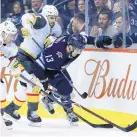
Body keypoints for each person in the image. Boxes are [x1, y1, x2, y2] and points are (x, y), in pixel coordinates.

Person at [32, 34, 112, 125]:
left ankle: (48, 100)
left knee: (67, 89)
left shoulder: (76, 41)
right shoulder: (54, 53)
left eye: (80, 50)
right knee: (66, 89)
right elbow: (37, 65)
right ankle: (69, 111)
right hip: (47, 71)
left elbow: (86, 38)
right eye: (77, 50)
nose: (78, 52)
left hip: (59, 68)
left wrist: (97, 40)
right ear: (69, 47)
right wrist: (43, 81)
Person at [4, 5, 62, 127]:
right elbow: (26, 17)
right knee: (33, 84)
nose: (53, 20)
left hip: (36, 59)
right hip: (25, 55)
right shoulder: (42, 19)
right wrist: (28, 28)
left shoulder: (56, 28)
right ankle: (32, 113)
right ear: (46, 15)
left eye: (55, 18)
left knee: (26, 87)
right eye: (51, 17)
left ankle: (11, 109)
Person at [0, 20, 18, 130]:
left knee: (1, 92)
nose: (13, 38)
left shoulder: (11, 47)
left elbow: (11, 61)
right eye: (11, 35)